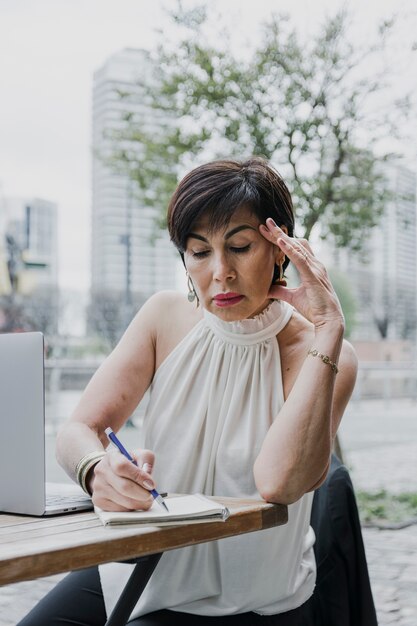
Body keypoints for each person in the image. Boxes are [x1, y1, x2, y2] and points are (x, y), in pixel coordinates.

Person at [19, 157, 358, 625]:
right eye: (200, 253)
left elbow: (279, 483)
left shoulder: (318, 350)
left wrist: (329, 329)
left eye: (240, 246)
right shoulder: (165, 316)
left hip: (251, 595)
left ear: (281, 250)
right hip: (142, 564)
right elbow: (79, 428)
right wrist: (97, 469)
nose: (221, 272)